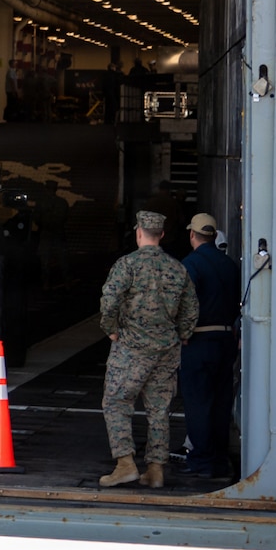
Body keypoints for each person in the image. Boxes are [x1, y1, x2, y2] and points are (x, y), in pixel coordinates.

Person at [98, 209, 200, 488]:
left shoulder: (127, 264)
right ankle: (155, 469)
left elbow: (110, 301)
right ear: (162, 235)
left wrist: (111, 329)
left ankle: (125, 464)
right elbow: (191, 309)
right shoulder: (178, 268)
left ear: (139, 232)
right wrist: (182, 334)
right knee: (159, 409)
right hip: (167, 349)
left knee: (117, 401)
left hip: (132, 346)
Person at [179, 213, 239, 480]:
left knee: (198, 401)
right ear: (215, 236)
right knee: (221, 401)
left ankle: (202, 460)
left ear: (192, 235)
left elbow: (185, 304)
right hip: (226, 340)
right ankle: (218, 458)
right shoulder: (230, 264)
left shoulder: (191, 264)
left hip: (199, 339)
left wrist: (183, 332)